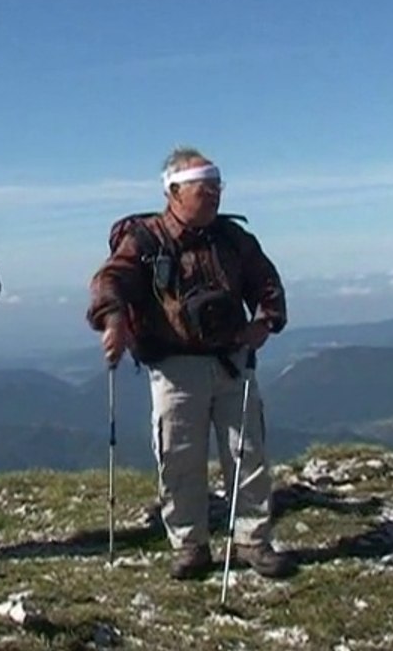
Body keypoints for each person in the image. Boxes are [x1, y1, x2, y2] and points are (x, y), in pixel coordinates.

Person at [86, 146, 296, 580]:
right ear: (175, 191)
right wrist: (112, 320)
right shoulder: (146, 240)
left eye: (218, 187)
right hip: (175, 365)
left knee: (247, 450)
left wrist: (266, 321)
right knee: (178, 455)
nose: (216, 195)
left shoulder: (233, 239)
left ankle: (252, 541)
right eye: (207, 188)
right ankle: (190, 545)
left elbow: (266, 281)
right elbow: (111, 279)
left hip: (231, 359)